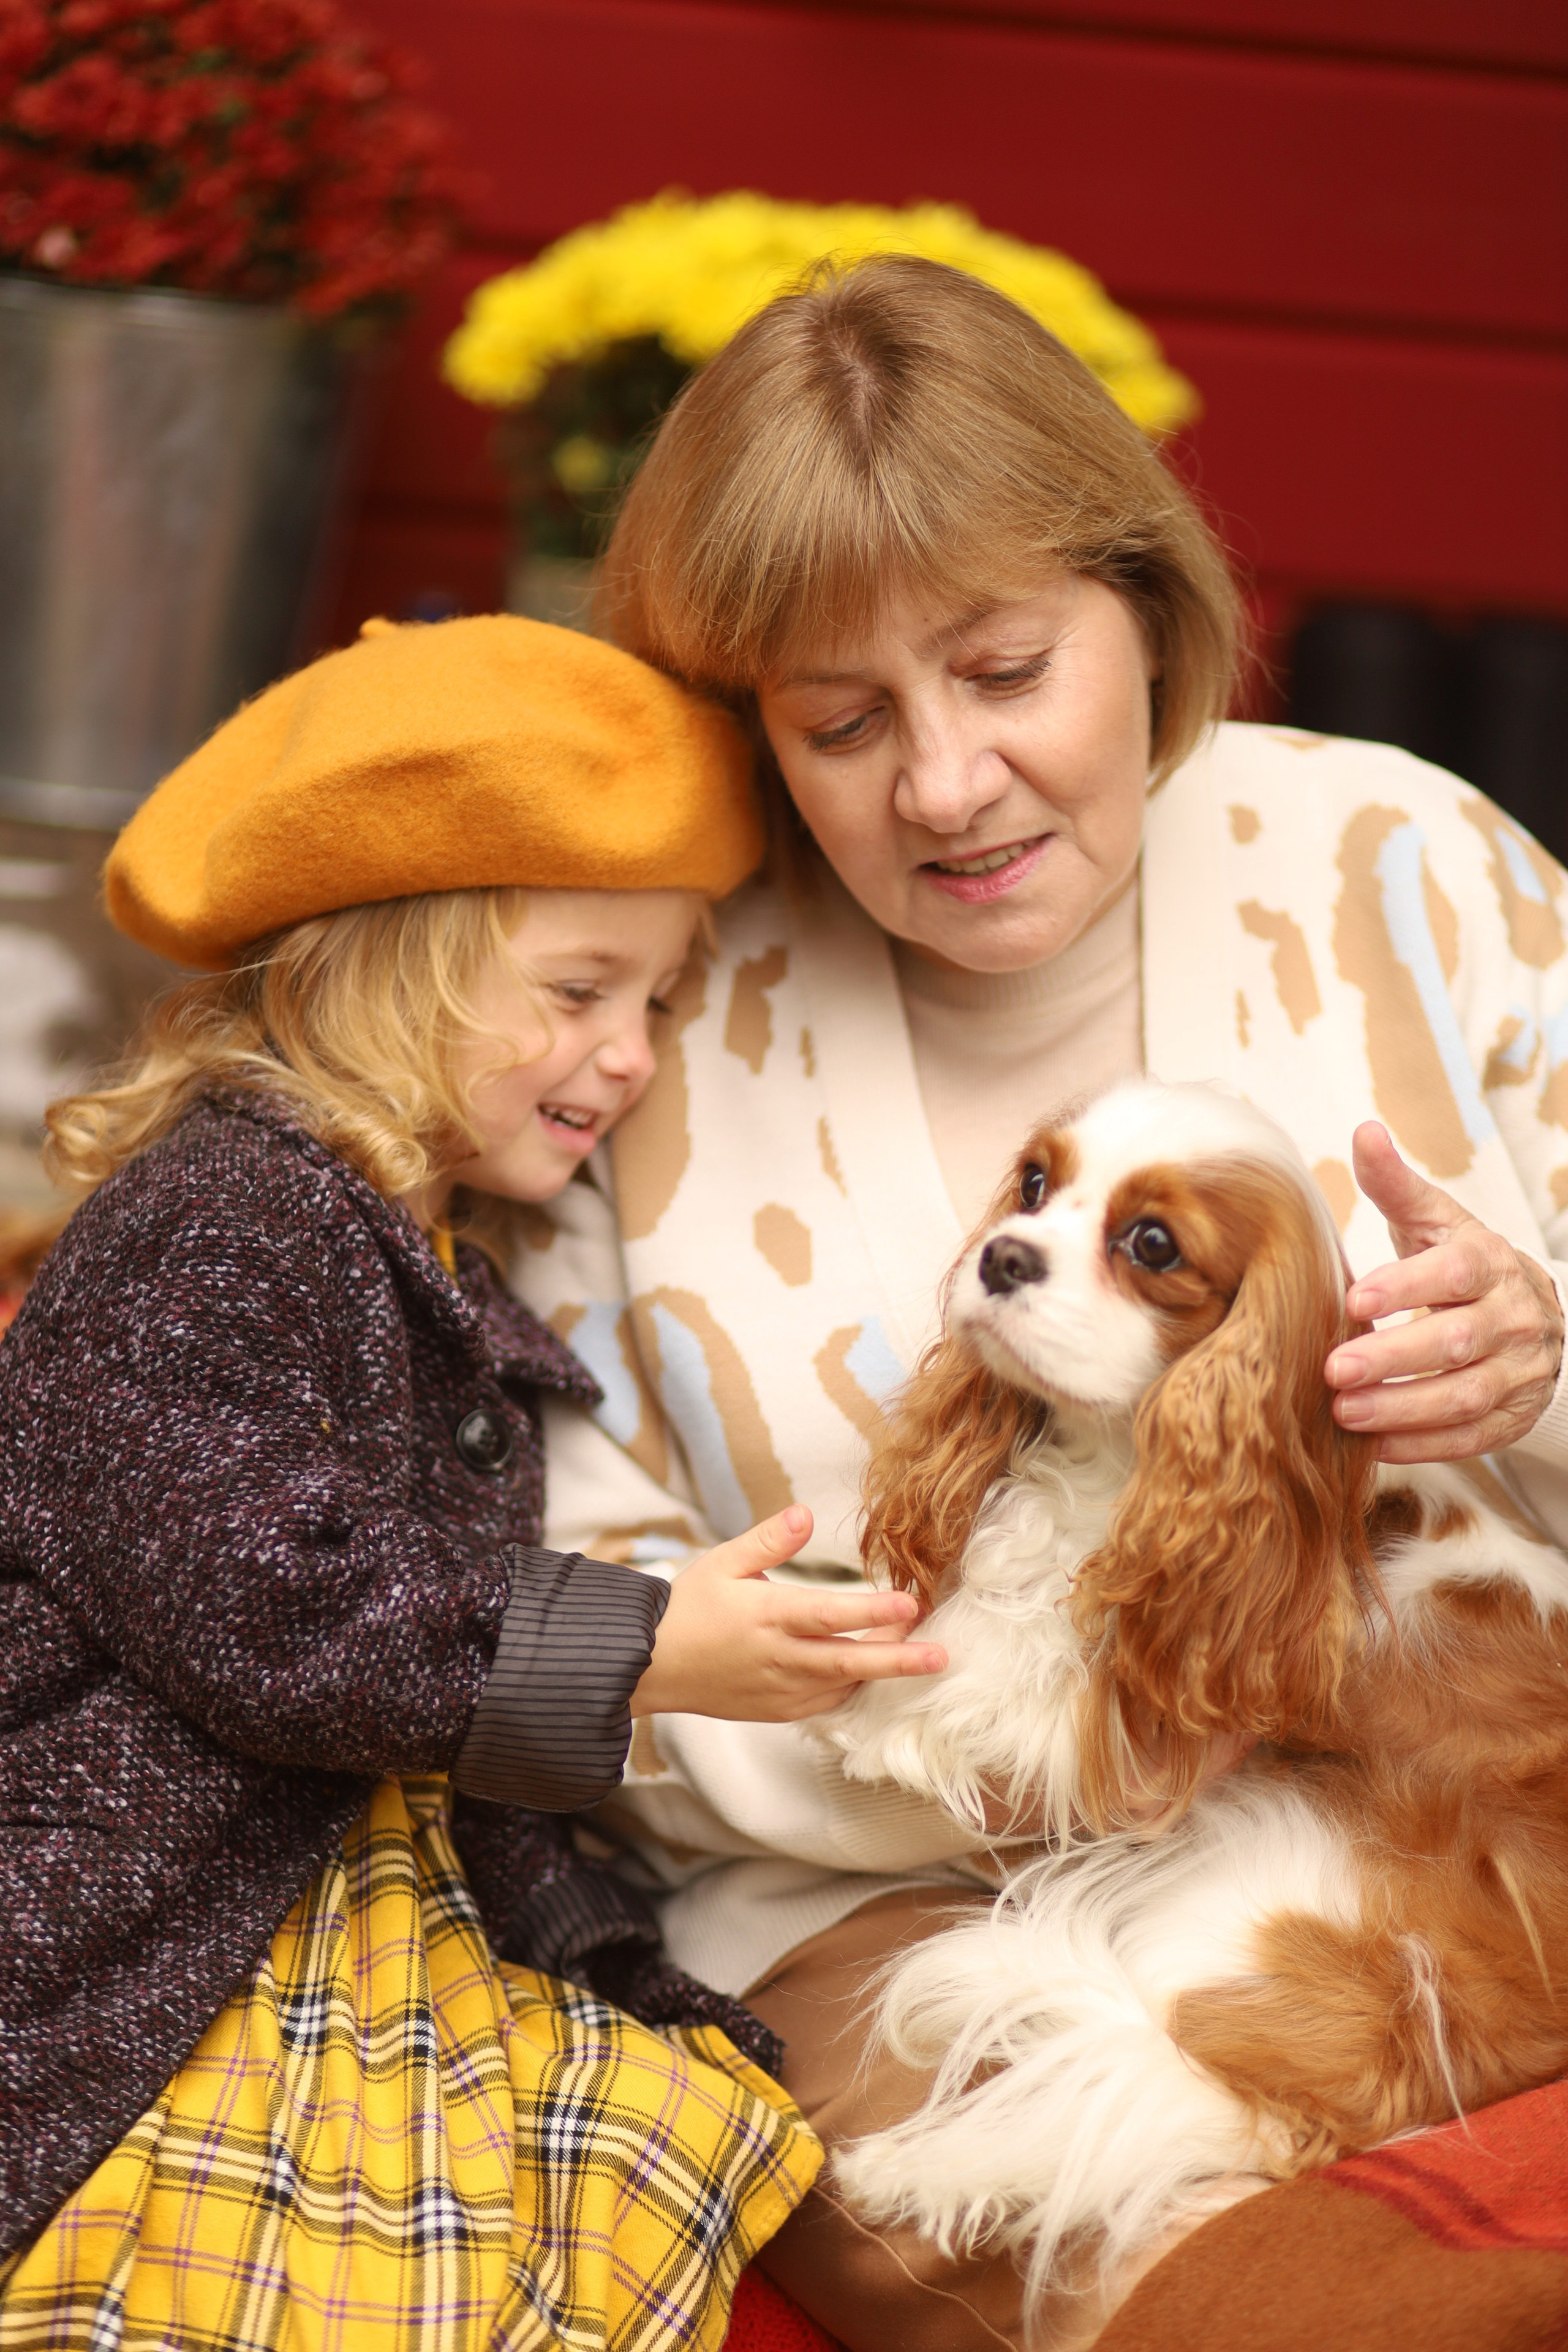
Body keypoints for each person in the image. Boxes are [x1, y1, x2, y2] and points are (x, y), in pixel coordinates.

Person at [513, 258, 1568, 2349]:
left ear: (1150, 612)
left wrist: (1540, 1366)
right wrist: (1014, 1762)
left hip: (1479, 1821)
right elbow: (543, 1604)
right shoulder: (642, 1006)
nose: (946, 785)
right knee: (1171, 2272)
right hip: (878, 1895)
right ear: (743, 732)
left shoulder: (1415, 862)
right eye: (841, 723)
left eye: (1007, 671)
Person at [0, 614, 949, 2348]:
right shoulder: (211, 1225)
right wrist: (640, 1646)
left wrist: (610, 1960)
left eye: (658, 1003)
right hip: (134, 1959)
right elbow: (276, 1620)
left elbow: (450, 1756)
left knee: (667, 2129)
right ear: (381, 966)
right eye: (580, 991)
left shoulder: (430, 1284)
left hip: (353, 1937)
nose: (632, 1053)